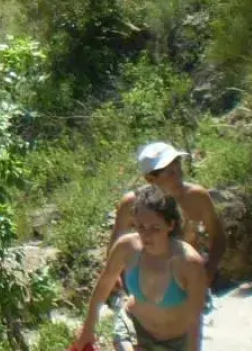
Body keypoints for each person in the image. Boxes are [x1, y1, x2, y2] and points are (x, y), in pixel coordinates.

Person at [78, 185, 207, 351]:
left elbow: (194, 321)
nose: (146, 235)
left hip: (176, 343)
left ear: (170, 225)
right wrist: (88, 328)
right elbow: (104, 284)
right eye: (140, 227)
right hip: (133, 329)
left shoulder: (189, 263)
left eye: (155, 228)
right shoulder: (126, 248)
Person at [110, 143, 226, 287]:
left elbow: (219, 238)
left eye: (178, 167)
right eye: (170, 172)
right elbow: (116, 245)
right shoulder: (131, 204)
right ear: (150, 179)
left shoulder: (196, 197)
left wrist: (208, 273)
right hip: (145, 281)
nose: (179, 175)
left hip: (186, 279)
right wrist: (114, 277)